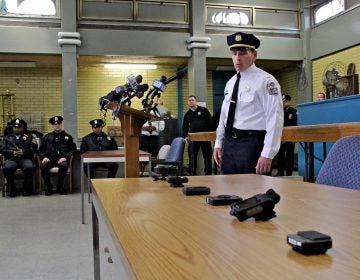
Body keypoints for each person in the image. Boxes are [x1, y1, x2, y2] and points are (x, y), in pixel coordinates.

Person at [213, 31, 284, 175]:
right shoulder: (231, 83)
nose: (237, 58)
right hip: (230, 143)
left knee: (253, 192)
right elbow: (224, 116)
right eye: (234, 53)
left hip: (252, 143)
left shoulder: (266, 81)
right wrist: (218, 142)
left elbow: (275, 118)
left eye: (243, 53)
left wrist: (267, 153)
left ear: (254, 54)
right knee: (228, 190)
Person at [38, 116, 77, 195]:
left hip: (61, 159)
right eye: (55, 124)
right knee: (43, 166)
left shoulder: (68, 137)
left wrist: (65, 157)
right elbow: (41, 150)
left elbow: (73, 150)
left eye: (59, 123)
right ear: (52, 126)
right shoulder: (47, 137)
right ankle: (48, 186)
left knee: (64, 165)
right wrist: (44, 156)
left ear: (61, 124)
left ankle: (60, 186)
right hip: (49, 159)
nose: (57, 125)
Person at [0, 118, 38, 197]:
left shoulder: (30, 137)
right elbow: (2, 149)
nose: (17, 129)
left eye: (19, 127)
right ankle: (12, 188)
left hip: (25, 158)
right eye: (15, 127)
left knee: (29, 167)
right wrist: (12, 153)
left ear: (23, 128)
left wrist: (23, 152)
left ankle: (26, 188)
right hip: (12, 159)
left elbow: (34, 149)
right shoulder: (7, 138)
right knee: (7, 168)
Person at [182, 95, 213, 175]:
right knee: (192, 157)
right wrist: (185, 137)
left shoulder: (204, 110)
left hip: (205, 137)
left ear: (196, 101)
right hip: (193, 138)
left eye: (192, 100)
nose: (191, 102)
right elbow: (185, 127)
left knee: (207, 156)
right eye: (189, 100)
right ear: (188, 103)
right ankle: (193, 174)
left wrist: (210, 134)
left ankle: (208, 174)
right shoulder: (187, 114)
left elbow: (210, 122)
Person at [275, 95, 297, 176]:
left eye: (285, 101)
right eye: (282, 101)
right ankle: (280, 171)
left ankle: (289, 173)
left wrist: (295, 138)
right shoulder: (278, 112)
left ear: (288, 101)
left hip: (290, 138)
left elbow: (296, 125)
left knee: (290, 156)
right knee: (280, 156)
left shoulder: (293, 112)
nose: (283, 103)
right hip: (280, 137)